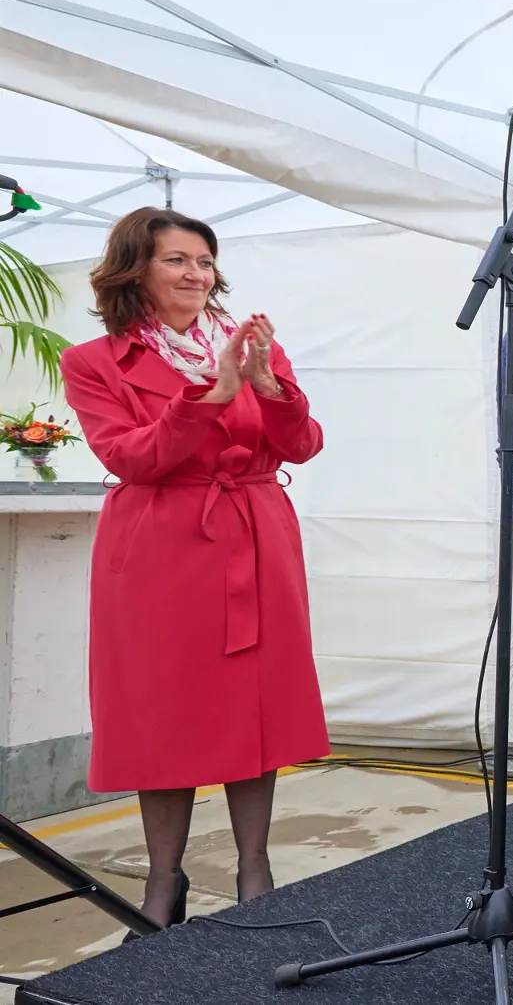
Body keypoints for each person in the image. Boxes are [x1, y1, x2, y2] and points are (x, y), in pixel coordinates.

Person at [61, 207, 328, 933]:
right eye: (177, 260)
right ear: (134, 271)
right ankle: (163, 878)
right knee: (161, 712)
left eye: (205, 261)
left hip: (255, 536)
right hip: (158, 549)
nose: (196, 274)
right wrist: (208, 397)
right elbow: (130, 457)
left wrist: (268, 385)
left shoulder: (253, 347)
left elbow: (302, 445)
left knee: (255, 705)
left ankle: (254, 870)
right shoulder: (92, 361)